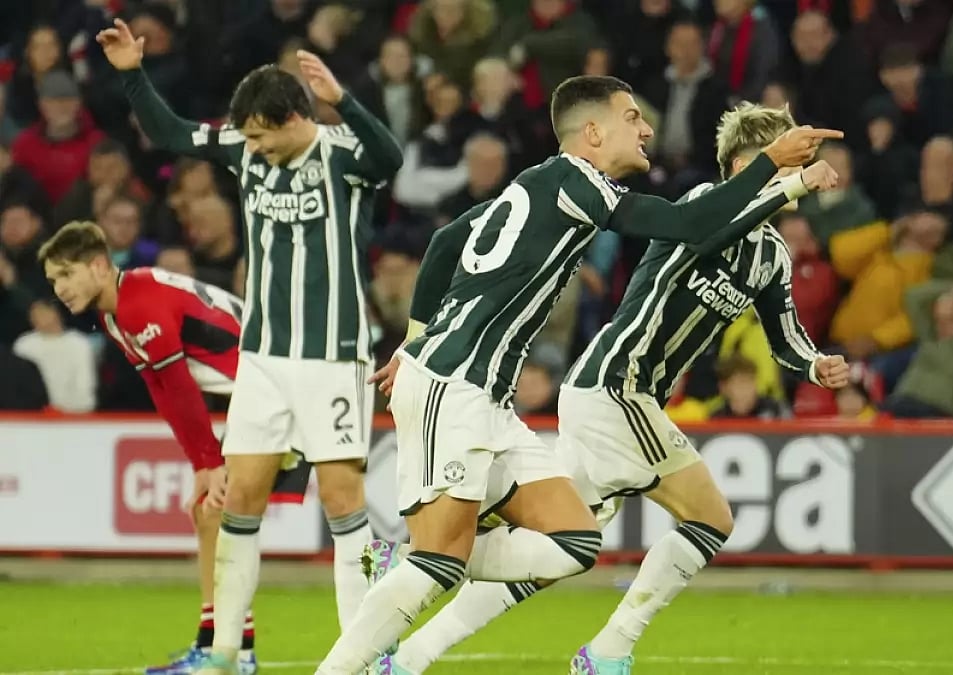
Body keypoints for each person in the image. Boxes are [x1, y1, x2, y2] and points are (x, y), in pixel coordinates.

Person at [315, 77, 841, 673]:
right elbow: (694, 225)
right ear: (593, 132)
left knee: (574, 542)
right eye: (632, 118)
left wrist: (412, 340)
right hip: (474, 381)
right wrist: (783, 170)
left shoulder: (541, 183)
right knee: (444, 562)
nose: (647, 130)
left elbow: (444, 242)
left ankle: (406, 570)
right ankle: (406, 623)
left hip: (487, 396)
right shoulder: (576, 182)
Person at [95, 18, 406, 673]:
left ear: (296, 117)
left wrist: (343, 100)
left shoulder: (344, 150)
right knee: (239, 500)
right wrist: (132, 73)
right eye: (251, 140)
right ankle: (228, 654)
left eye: (265, 137)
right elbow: (173, 132)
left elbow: (392, 159)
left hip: (333, 354)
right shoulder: (243, 143)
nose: (254, 150)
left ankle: (366, 652)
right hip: (264, 358)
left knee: (345, 502)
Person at [38, 221, 316, 675]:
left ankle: (230, 651)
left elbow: (182, 388)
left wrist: (208, 462)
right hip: (262, 397)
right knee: (209, 513)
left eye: (66, 275)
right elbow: (162, 389)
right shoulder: (116, 312)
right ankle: (219, 646)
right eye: (53, 281)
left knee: (221, 514)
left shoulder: (137, 306)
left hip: (280, 395)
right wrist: (201, 463)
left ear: (98, 266)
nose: (60, 289)